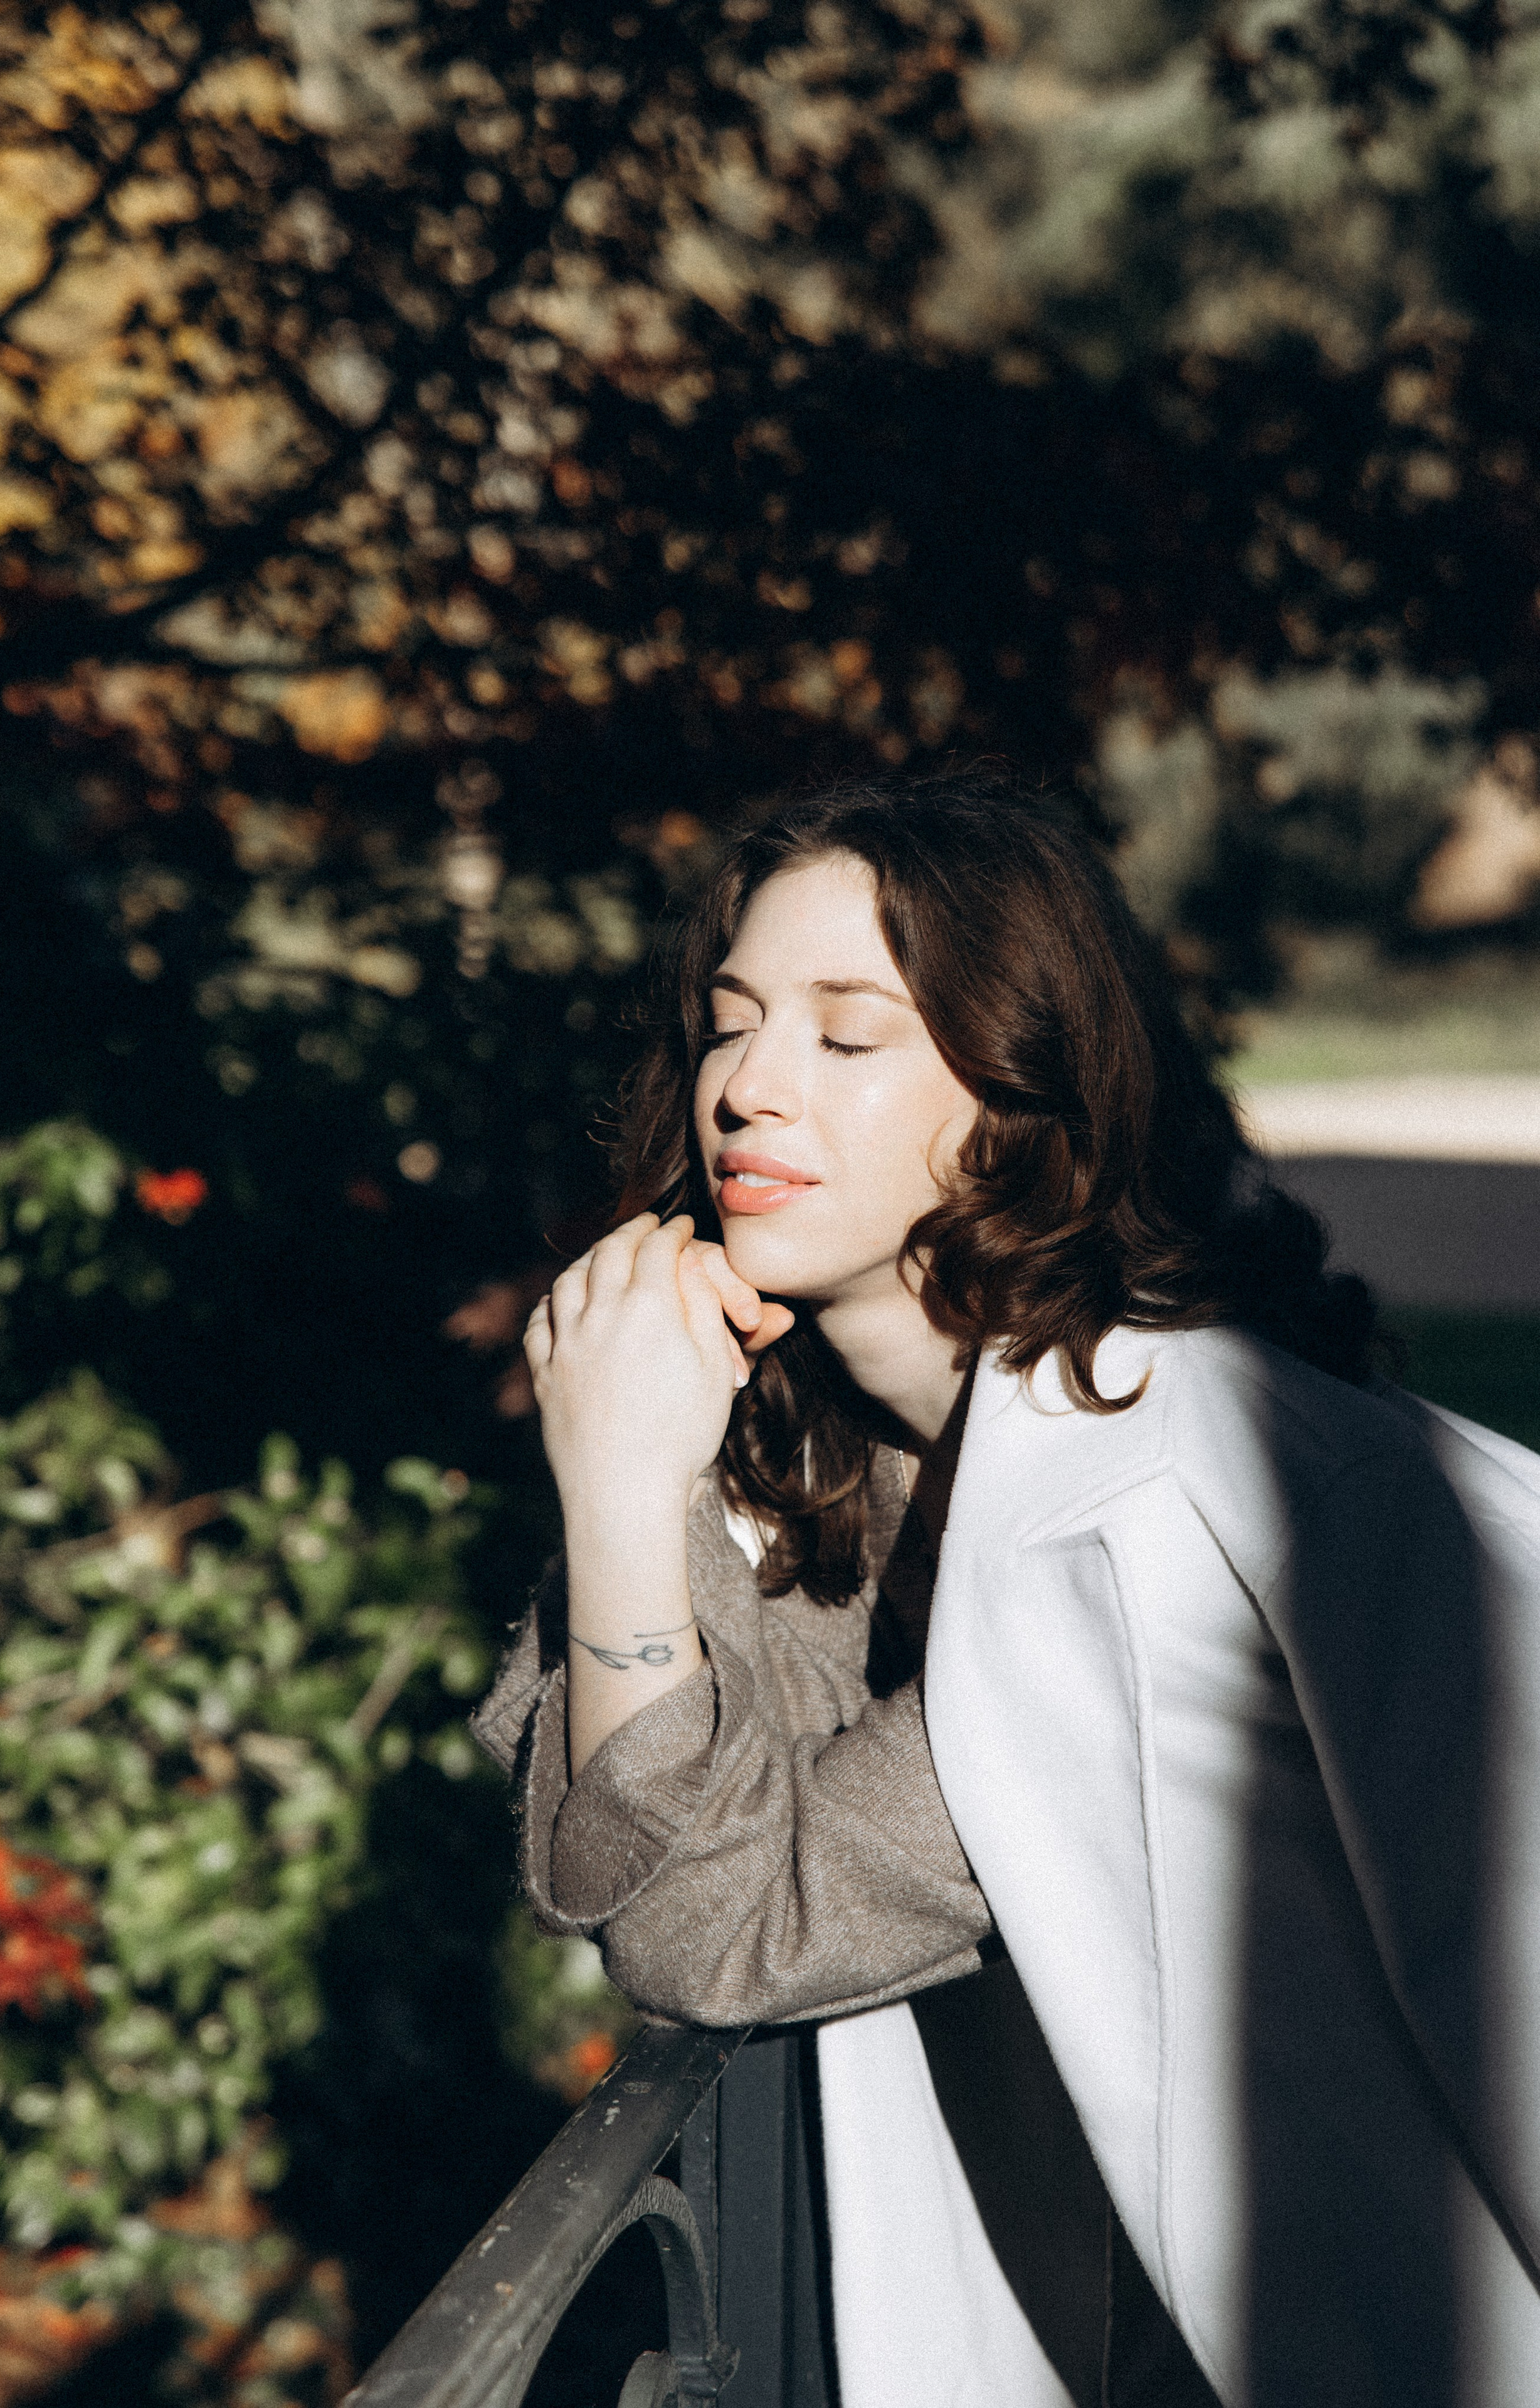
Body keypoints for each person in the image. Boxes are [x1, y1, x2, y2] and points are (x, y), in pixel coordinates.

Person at [473, 770, 1540, 2408]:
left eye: (848, 1035)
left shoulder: (1142, 1492)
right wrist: (647, 1474)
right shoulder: (813, 1448)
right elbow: (605, 1861)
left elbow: (711, 1929)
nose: (749, 1088)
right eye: (732, 1023)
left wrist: (620, 1487)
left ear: (1019, 1093)